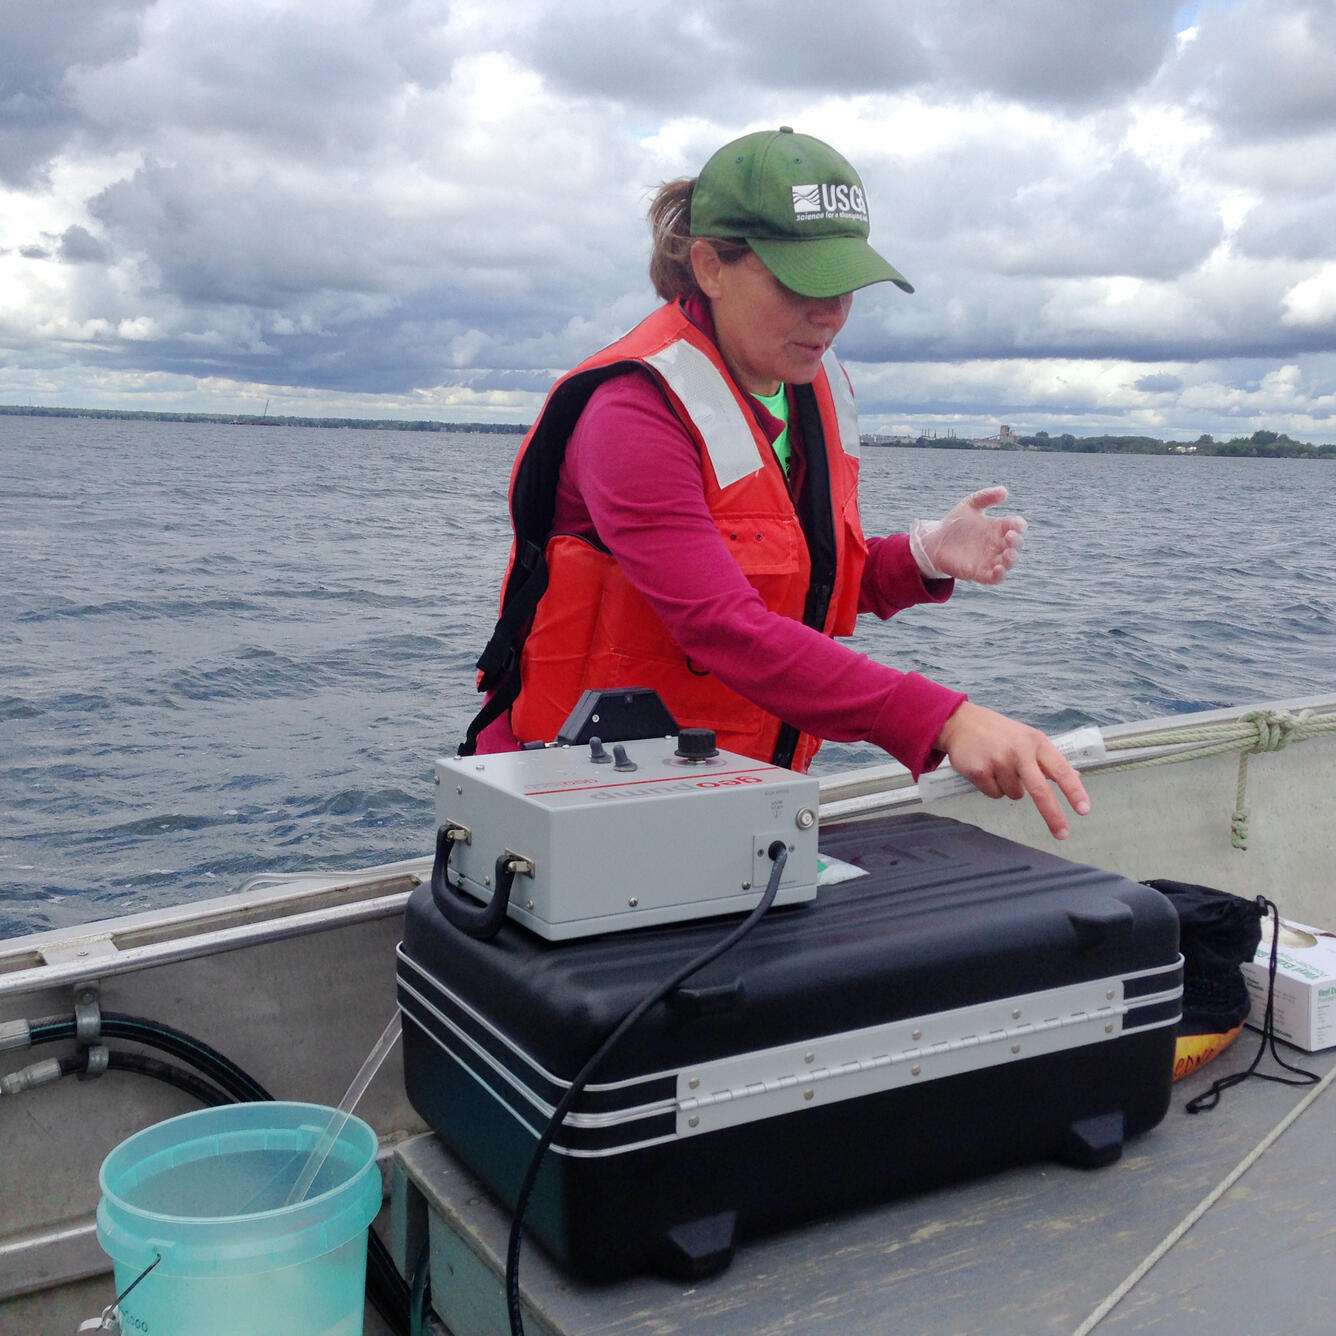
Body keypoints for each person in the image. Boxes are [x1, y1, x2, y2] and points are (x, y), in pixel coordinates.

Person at [462, 127, 1090, 840]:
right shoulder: (633, 413)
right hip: (576, 805)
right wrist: (941, 718)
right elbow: (721, 624)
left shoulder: (808, 390)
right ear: (709, 266)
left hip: (734, 796)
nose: (830, 314)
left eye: (846, 284)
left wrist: (920, 556)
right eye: (800, 283)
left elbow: (807, 586)